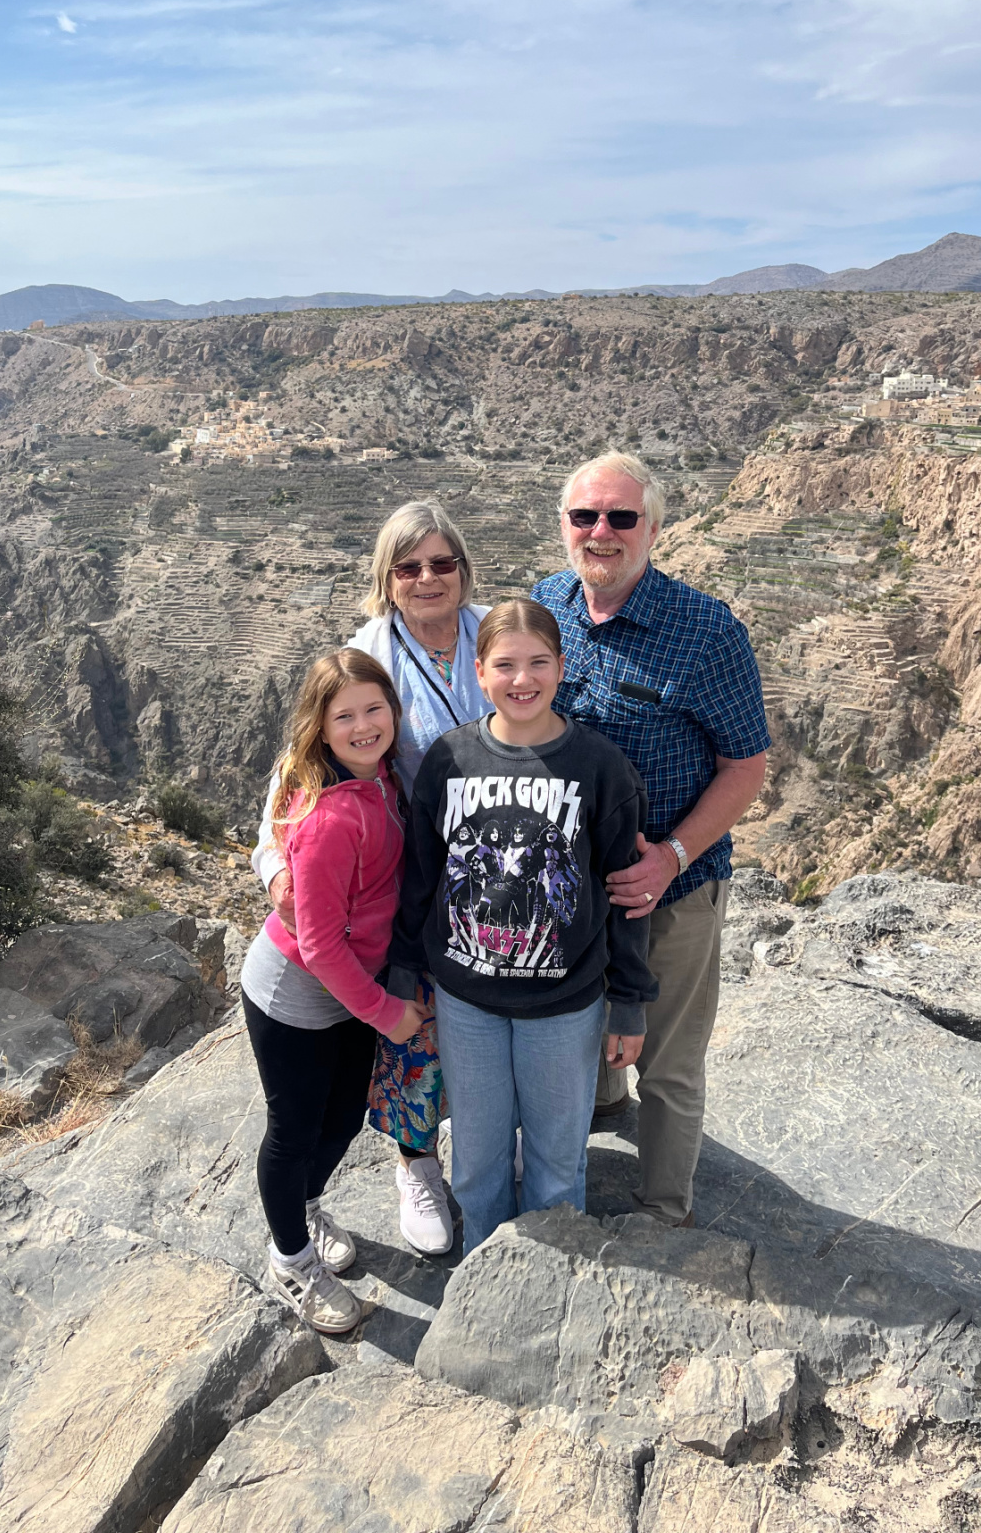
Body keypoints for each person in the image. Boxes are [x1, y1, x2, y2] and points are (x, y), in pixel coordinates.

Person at [532, 451, 770, 1228]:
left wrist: (671, 858)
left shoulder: (705, 631)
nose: (601, 532)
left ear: (654, 529)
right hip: (567, 885)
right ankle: (602, 1114)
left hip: (673, 887)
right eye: (585, 517)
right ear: (563, 526)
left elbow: (747, 765)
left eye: (621, 518)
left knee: (668, 1060)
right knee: (578, 1031)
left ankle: (664, 1211)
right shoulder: (546, 607)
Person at [251, 500, 488, 1255]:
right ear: (386, 579)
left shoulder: (497, 636)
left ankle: (490, 1158)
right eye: (408, 566)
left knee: (482, 1026)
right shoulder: (368, 654)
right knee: (412, 1031)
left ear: (463, 570)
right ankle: (419, 1165)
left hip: (494, 876)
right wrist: (272, 864)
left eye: (441, 563)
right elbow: (299, 773)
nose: (427, 578)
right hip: (410, 885)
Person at [388, 599, 657, 1255]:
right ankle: (482, 1278)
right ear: (478, 673)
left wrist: (628, 1002)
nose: (522, 679)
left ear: (562, 668)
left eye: (539, 663)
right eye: (504, 665)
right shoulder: (449, 761)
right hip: (467, 1003)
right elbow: (422, 877)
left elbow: (625, 896)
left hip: (565, 1008)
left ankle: (548, 1285)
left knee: (557, 1163)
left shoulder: (599, 767)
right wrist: (402, 972)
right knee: (477, 1161)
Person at [239, 648, 425, 1335]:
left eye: (374, 708)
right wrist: (386, 1012)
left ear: (394, 712)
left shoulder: (382, 783)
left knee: (345, 1115)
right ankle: (291, 1257)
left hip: (349, 990)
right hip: (295, 995)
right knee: (294, 1132)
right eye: (344, 715)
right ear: (320, 727)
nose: (363, 725)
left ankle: (308, 1206)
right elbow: (317, 946)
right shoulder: (331, 819)